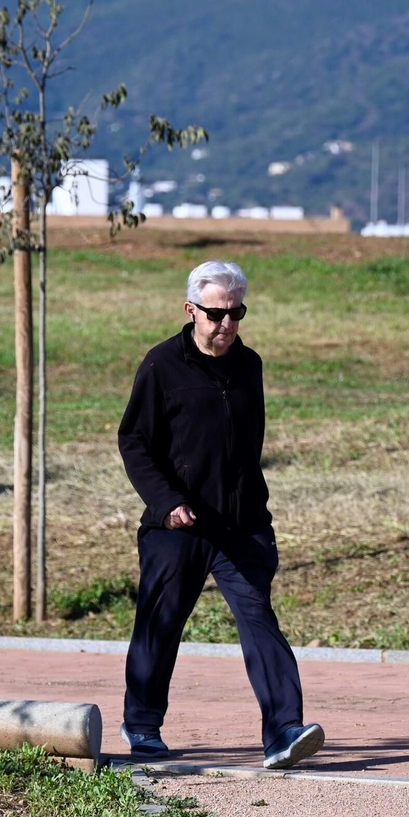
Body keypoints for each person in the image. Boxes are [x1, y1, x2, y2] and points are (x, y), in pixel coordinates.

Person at [116, 259, 324, 769]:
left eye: (236, 313)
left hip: (241, 526)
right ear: (191, 310)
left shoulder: (249, 365)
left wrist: (254, 511)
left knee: (259, 620)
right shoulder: (161, 365)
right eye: (215, 314)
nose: (226, 323)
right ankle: (142, 724)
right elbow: (135, 441)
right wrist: (167, 502)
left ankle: (284, 731)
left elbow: (248, 446)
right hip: (178, 525)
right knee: (160, 623)